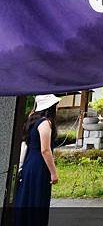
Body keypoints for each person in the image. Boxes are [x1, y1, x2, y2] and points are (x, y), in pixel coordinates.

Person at [13, 94, 61, 226]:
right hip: (39, 165)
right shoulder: (45, 123)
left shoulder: (32, 119)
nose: (57, 109)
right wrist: (53, 172)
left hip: (29, 163)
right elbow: (45, 150)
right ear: (50, 107)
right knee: (38, 199)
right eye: (55, 106)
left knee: (27, 197)